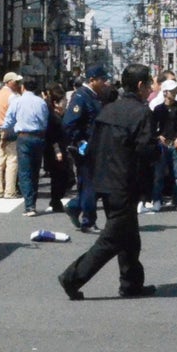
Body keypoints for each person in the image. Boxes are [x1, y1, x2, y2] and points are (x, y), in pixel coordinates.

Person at [58, 64, 159, 300]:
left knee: (130, 236)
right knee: (112, 238)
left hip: (104, 180)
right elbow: (145, 150)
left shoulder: (108, 110)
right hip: (125, 182)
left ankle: (132, 283)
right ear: (140, 85)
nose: (151, 89)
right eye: (149, 84)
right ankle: (72, 277)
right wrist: (157, 151)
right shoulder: (141, 113)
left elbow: (93, 146)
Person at [64, 66, 109, 232]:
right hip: (85, 149)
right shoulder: (81, 97)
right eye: (102, 79)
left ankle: (75, 206)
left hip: (95, 147)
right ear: (92, 80)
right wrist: (77, 143)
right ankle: (88, 221)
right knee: (91, 185)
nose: (105, 83)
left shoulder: (94, 96)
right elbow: (69, 124)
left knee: (89, 184)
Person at [0, 81, 50, 217]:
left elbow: (9, 120)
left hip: (23, 137)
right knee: (35, 171)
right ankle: (32, 201)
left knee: (24, 172)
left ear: (23, 87)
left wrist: (3, 128)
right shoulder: (41, 102)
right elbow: (45, 120)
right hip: (39, 136)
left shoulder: (17, 101)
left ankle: (29, 206)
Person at [148, 79, 177, 213]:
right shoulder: (158, 109)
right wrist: (157, 136)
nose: (174, 92)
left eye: (175, 90)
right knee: (159, 174)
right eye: (171, 90)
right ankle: (157, 200)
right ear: (165, 92)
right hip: (162, 144)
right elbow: (152, 127)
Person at [0, 73, 23, 198]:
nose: (17, 84)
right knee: (12, 160)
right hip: (10, 129)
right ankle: (9, 191)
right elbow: (17, 115)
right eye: (15, 82)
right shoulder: (13, 96)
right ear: (9, 82)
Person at [44, 84, 72, 213]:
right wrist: (57, 151)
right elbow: (51, 136)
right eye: (64, 100)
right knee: (58, 176)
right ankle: (55, 201)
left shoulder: (62, 115)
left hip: (63, 148)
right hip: (55, 150)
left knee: (64, 176)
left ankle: (56, 200)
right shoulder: (52, 117)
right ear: (56, 103)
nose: (66, 102)